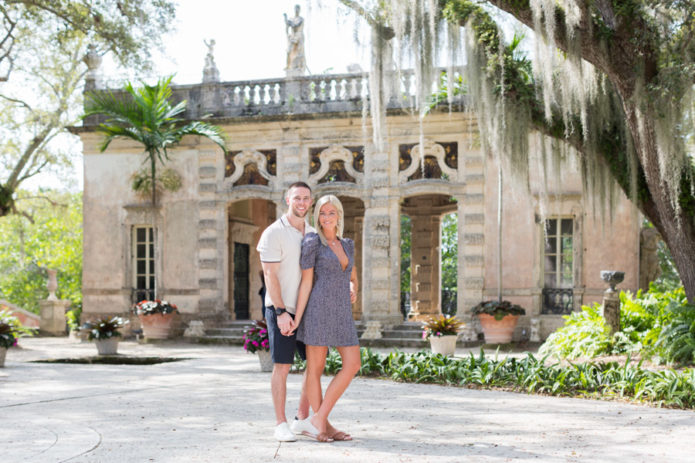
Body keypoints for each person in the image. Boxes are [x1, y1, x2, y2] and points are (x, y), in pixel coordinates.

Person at [291, 195, 361, 442]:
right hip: (318, 308)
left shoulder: (348, 244)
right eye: (322, 213)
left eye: (332, 212)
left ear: (339, 215)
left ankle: (318, 419)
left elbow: (352, 276)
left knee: (353, 364)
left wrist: (353, 288)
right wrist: (297, 318)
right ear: (317, 216)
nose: (327, 217)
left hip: (342, 310)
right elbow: (306, 281)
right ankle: (323, 425)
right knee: (315, 368)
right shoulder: (312, 242)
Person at [256, 181, 314, 442]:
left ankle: (302, 419)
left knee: (314, 365)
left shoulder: (312, 233)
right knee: (282, 365)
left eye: (306, 198)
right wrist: (281, 312)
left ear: (311, 202)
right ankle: (280, 423)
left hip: (307, 311)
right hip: (281, 309)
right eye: (297, 198)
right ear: (287, 200)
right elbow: (270, 275)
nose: (301, 202)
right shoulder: (273, 232)